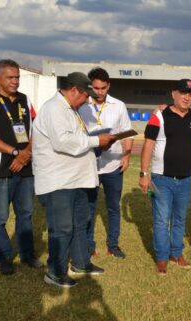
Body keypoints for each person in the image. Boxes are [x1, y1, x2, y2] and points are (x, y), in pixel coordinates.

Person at [32, 72, 116, 287]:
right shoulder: (54, 108)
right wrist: (97, 140)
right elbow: (63, 142)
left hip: (77, 179)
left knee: (80, 223)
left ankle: (80, 263)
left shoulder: (72, 109)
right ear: (73, 90)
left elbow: (79, 140)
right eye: (85, 95)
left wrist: (98, 141)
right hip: (59, 181)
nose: (88, 99)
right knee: (62, 228)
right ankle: (55, 272)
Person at [0, 59, 42, 275]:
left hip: (26, 168)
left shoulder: (24, 99)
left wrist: (26, 154)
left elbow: (37, 130)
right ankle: (3, 258)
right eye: (10, 77)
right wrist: (15, 153)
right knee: (0, 217)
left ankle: (27, 254)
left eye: (17, 77)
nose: (15, 81)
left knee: (26, 214)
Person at [139, 79, 191, 274]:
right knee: (161, 219)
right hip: (161, 179)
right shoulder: (159, 116)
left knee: (179, 219)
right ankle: (162, 258)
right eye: (183, 92)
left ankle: (176, 253)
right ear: (173, 94)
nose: (187, 97)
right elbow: (148, 145)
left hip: (186, 180)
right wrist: (144, 174)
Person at [79, 67, 133, 259]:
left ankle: (113, 245)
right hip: (88, 165)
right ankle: (88, 246)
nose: (99, 92)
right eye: (95, 88)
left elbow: (127, 132)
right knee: (88, 207)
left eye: (103, 88)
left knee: (113, 207)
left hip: (113, 166)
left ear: (108, 85)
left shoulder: (119, 105)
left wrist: (126, 156)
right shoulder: (81, 105)